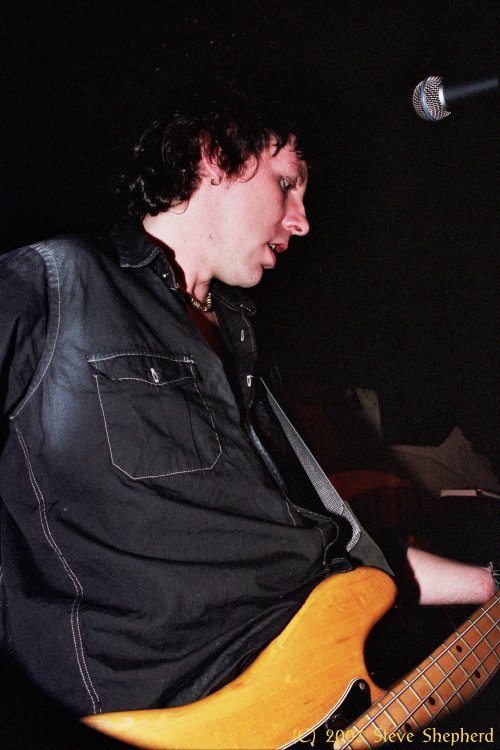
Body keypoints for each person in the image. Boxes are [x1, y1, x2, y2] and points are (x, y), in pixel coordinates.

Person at [0, 84, 496, 722]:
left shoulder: (241, 346)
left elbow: (336, 557)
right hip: (162, 710)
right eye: (287, 183)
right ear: (215, 157)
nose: (302, 220)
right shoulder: (59, 283)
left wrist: (490, 583)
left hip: (312, 689)